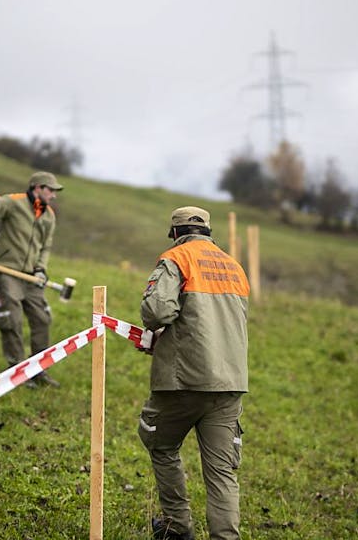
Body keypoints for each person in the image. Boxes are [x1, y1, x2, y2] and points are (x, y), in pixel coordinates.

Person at [136, 206, 250, 540]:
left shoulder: (177, 258)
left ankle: (177, 527)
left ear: (174, 232)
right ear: (209, 232)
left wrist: (158, 333)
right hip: (230, 381)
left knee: (161, 445)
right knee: (222, 470)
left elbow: (157, 312)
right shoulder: (235, 267)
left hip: (184, 380)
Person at [0, 171, 64, 388]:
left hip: (32, 276)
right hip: (6, 272)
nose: (54, 195)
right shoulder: (11, 202)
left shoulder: (49, 216)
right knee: (12, 319)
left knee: (42, 319)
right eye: (51, 190)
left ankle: (38, 370)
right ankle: (17, 372)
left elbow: (45, 246)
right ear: (37, 188)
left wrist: (41, 268)